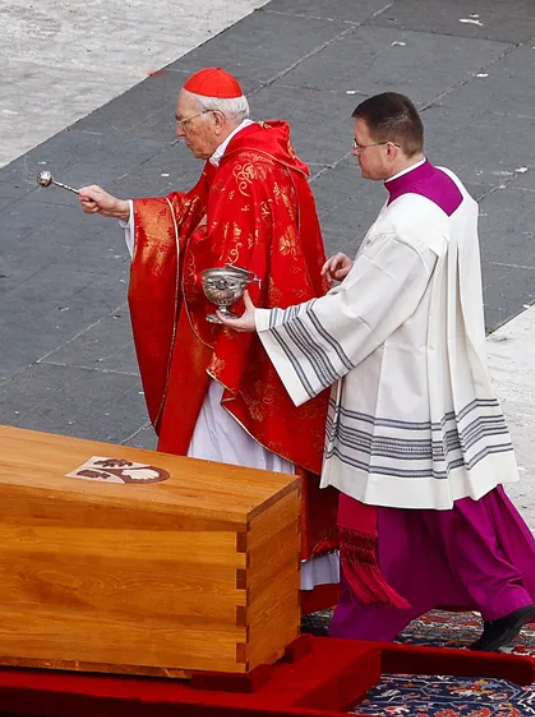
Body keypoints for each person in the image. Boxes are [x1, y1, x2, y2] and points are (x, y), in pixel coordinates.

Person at [217, 91, 535, 651]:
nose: (353, 154)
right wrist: (362, 269)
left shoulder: (404, 225)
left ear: (391, 148)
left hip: (399, 380)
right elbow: (400, 278)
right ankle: (504, 596)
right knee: (453, 493)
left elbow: (354, 314)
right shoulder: (448, 188)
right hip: (437, 361)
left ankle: (371, 619)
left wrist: (261, 321)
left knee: (386, 506)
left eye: (360, 145)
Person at [78, 67, 339, 592]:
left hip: (235, 351)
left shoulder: (244, 174)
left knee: (226, 463)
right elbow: (194, 211)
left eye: (183, 121)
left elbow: (220, 266)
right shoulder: (256, 155)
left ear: (216, 119)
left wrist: (184, 269)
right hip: (274, 337)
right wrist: (125, 210)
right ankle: (275, 577)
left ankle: (226, 578)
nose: (179, 132)